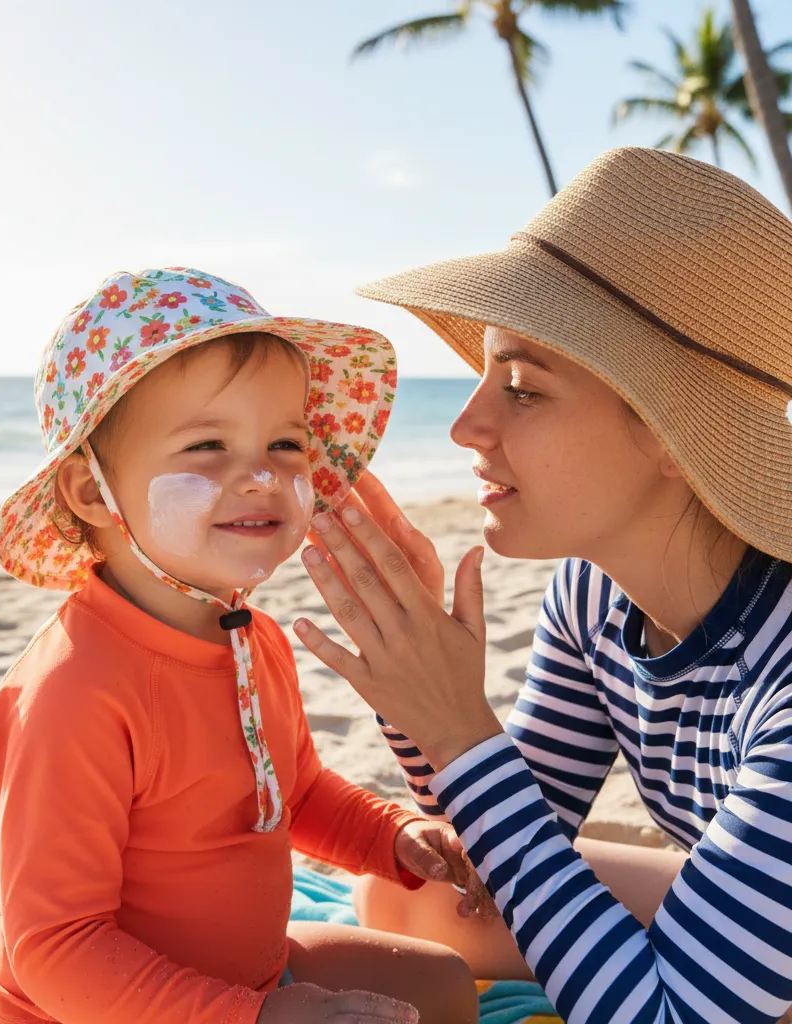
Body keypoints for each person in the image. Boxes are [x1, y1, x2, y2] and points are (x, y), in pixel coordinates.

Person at [291, 148, 792, 1023]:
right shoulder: (595, 595)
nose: (465, 424)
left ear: (676, 438)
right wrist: (417, 687)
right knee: (412, 900)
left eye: (521, 388)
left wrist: (460, 727)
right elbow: (499, 849)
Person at [0, 268, 479, 1024]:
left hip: (249, 978)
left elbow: (294, 795)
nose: (261, 476)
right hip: (96, 1011)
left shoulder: (251, 637)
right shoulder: (75, 691)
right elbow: (53, 946)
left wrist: (395, 836)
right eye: (208, 445)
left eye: (285, 443)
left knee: (443, 989)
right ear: (91, 494)